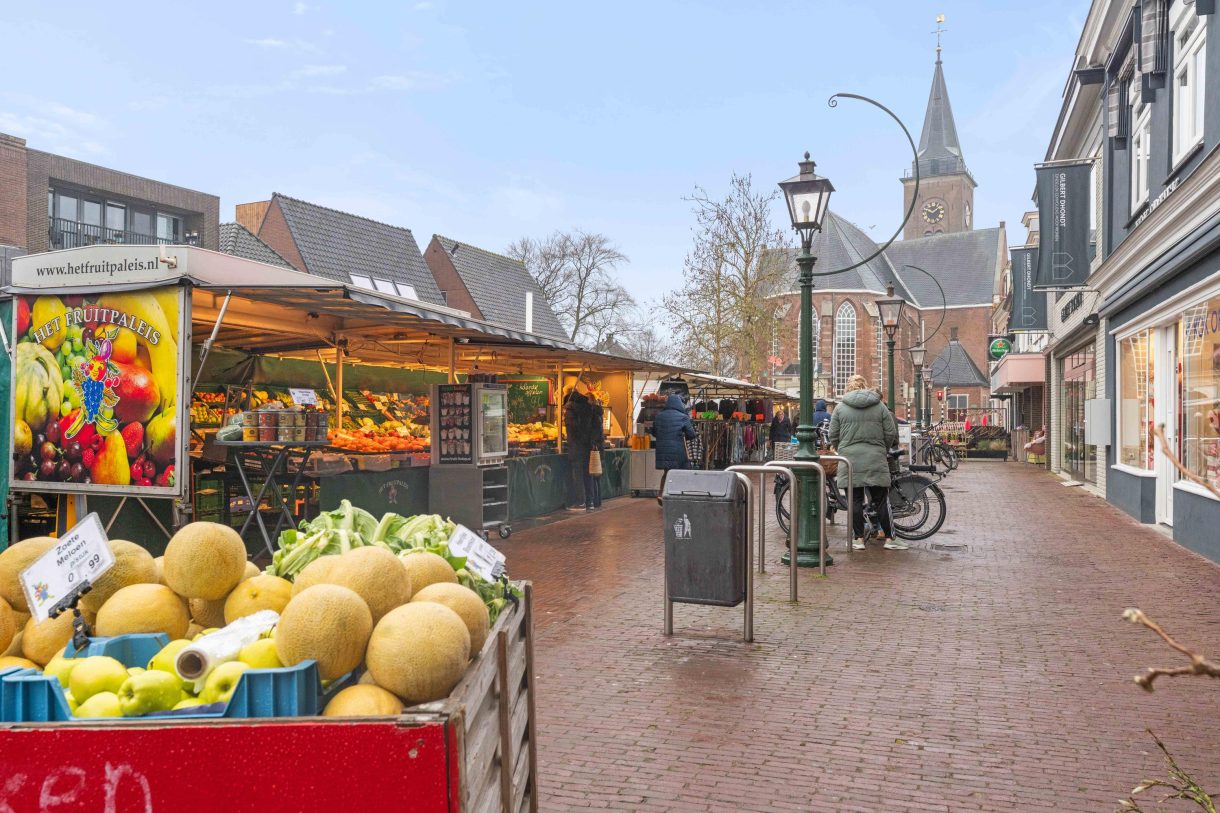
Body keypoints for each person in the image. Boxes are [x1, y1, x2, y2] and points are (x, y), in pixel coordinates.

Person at [828, 374, 902, 550]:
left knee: (854, 500)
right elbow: (890, 432)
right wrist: (881, 448)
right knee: (881, 499)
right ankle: (890, 539)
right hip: (875, 458)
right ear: (865, 386)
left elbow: (833, 435)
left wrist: (842, 449)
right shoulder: (879, 407)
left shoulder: (840, 408)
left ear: (848, 387)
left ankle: (858, 539)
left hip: (850, 460)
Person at [650, 393, 696, 504]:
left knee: (667, 472)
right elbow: (692, 434)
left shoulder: (659, 416)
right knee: (681, 471)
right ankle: (677, 494)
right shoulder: (683, 417)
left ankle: (661, 494)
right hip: (677, 450)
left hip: (662, 450)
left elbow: (654, 432)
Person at [563, 384, 595, 511]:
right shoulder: (587, 407)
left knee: (577, 473)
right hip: (587, 445)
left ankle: (580, 501)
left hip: (576, 445)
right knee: (588, 473)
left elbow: (573, 428)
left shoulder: (571, 409)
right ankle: (590, 501)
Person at [585, 397, 606, 511]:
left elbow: (594, 431)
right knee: (597, 475)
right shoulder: (599, 413)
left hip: (595, 447)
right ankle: (598, 500)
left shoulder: (593, 414)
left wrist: (592, 443)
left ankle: (592, 500)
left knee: (592, 474)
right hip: (599, 446)